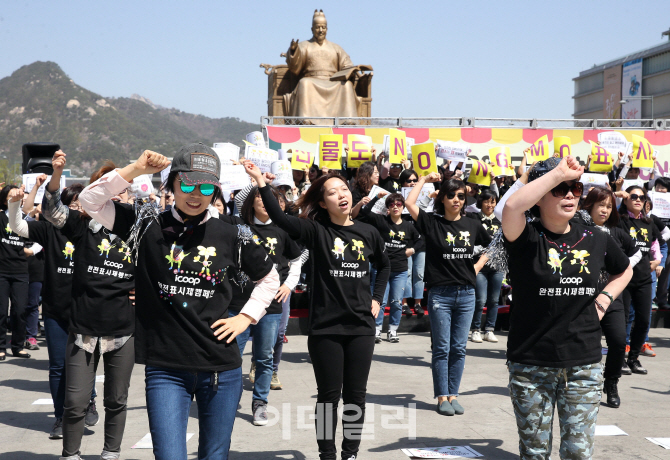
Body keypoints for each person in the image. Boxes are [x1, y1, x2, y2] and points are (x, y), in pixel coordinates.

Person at [79, 144, 278, 460]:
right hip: (166, 369)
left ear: (216, 189)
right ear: (172, 183)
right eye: (187, 184)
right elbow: (89, 200)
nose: (195, 194)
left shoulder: (233, 232)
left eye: (206, 186)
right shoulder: (145, 224)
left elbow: (270, 279)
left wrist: (246, 317)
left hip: (220, 370)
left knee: (214, 456)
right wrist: (136, 169)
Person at [243, 159, 390, 460]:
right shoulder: (315, 231)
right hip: (326, 329)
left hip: (361, 327)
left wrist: (377, 299)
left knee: (355, 397)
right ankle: (327, 454)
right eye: (332, 192)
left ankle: (350, 453)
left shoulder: (368, 232)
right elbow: (281, 219)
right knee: (328, 397)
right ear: (323, 203)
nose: (341, 194)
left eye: (343, 189)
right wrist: (261, 182)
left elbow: (385, 266)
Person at [502, 156, 632, 459]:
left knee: (578, 452)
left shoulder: (596, 238)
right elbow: (511, 207)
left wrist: (605, 298)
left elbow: (623, 270)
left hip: (583, 363)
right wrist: (557, 173)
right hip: (531, 364)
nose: (571, 195)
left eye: (575, 188)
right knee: (534, 453)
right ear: (541, 195)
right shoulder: (525, 237)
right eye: (560, 189)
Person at [42, 153, 135, 460]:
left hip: (122, 330)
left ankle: (111, 453)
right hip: (83, 328)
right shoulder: (81, 226)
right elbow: (51, 210)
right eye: (112, 190)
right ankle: (71, 454)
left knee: (117, 400)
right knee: (75, 401)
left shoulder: (140, 232)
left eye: (125, 190)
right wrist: (56, 175)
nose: (119, 195)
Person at [9, 181, 101, 439]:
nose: (77, 208)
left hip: (87, 310)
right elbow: (18, 226)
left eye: (82, 203)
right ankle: (61, 417)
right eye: (72, 203)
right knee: (59, 366)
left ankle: (89, 400)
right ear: (62, 206)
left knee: (86, 362)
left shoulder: (95, 230)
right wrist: (14, 202)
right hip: (55, 310)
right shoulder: (50, 229)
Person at [405, 174, 491, 416]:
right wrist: (422, 179)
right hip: (440, 295)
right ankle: (442, 396)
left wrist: (477, 265)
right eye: (451, 195)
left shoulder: (473, 224)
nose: (456, 199)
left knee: (459, 348)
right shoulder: (432, 222)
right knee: (442, 348)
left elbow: (493, 244)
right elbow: (410, 204)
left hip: (466, 294)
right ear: (442, 198)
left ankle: (454, 395)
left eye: (461, 196)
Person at [229, 184, 303, 425]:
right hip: (238, 304)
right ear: (251, 201)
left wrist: (289, 284)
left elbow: (297, 258)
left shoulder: (282, 230)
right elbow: (240, 196)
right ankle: (228, 401)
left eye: (269, 197)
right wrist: (255, 178)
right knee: (232, 356)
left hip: (270, 306)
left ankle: (260, 402)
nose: (263, 200)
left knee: (263, 357)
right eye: (259, 196)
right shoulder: (239, 226)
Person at [576, 186, 641, 408]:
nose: (604, 210)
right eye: (600, 205)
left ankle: (611, 383)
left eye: (609, 206)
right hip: (584, 298)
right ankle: (582, 384)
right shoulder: (577, 228)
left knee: (618, 340)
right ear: (590, 205)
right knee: (587, 343)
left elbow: (636, 252)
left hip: (612, 296)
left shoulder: (616, 232)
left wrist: (622, 270)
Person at [358, 192, 419, 343]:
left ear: (403, 207)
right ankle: (377, 330)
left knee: (397, 302)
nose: (395, 207)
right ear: (388, 208)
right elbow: (365, 212)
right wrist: (377, 198)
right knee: (379, 301)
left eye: (398, 204)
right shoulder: (381, 221)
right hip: (381, 268)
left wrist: (413, 249)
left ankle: (393, 330)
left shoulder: (408, 226)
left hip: (400, 270)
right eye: (391, 205)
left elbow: (421, 239)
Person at [618, 185, 660, 375]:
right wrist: (616, 194)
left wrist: (658, 259)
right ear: (626, 199)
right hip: (623, 278)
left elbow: (657, 243)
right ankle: (619, 359)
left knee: (643, 320)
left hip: (644, 278)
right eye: (633, 196)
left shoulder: (649, 222)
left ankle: (633, 358)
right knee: (623, 320)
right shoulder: (620, 221)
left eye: (641, 198)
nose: (637, 200)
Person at [468, 188, 503, 343]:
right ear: (480, 202)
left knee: (494, 300)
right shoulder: (473, 218)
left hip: (497, 266)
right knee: (480, 299)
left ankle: (489, 329)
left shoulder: (500, 220)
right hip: (479, 265)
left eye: (493, 201)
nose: (490, 204)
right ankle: (475, 329)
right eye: (487, 201)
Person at [0, 184, 30, 360]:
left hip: (21, 271)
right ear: (5, 200)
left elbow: (40, 237)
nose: (17, 197)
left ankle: (18, 345)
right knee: (1, 311)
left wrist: (31, 250)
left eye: (19, 195)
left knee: (19, 310)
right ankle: (1, 346)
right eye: (12, 196)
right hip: (2, 271)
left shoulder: (26, 219)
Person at [398, 169, 426, 317]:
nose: (412, 183)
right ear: (402, 183)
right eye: (409, 181)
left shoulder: (424, 197)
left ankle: (417, 303)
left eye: (415, 180)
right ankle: (404, 303)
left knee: (419, 274)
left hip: (421, 242)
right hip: (405, 242)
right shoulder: (399, 200)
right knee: (406, 273)